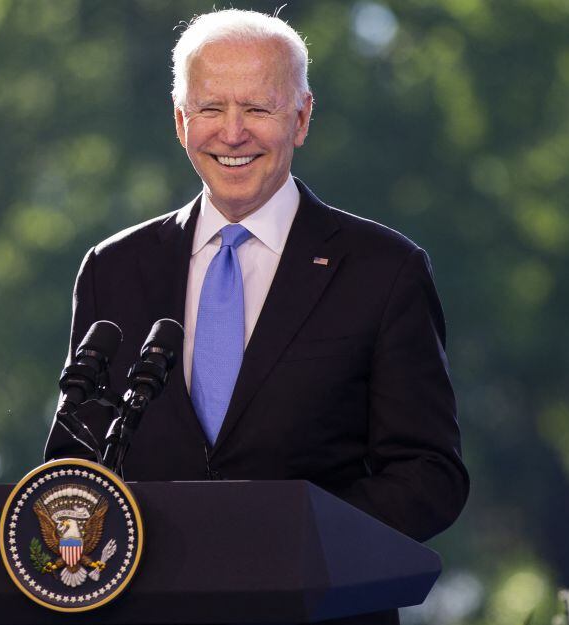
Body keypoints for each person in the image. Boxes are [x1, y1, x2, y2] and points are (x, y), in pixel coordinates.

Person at [45, 9, 467, 546]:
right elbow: (72, 464)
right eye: (211, 108)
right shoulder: (113, 269)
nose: (233, 132)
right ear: (180, 122)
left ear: (301, 117)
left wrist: (288, 535)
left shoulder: (384, 271)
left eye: (257, 108)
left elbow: (429, 477)